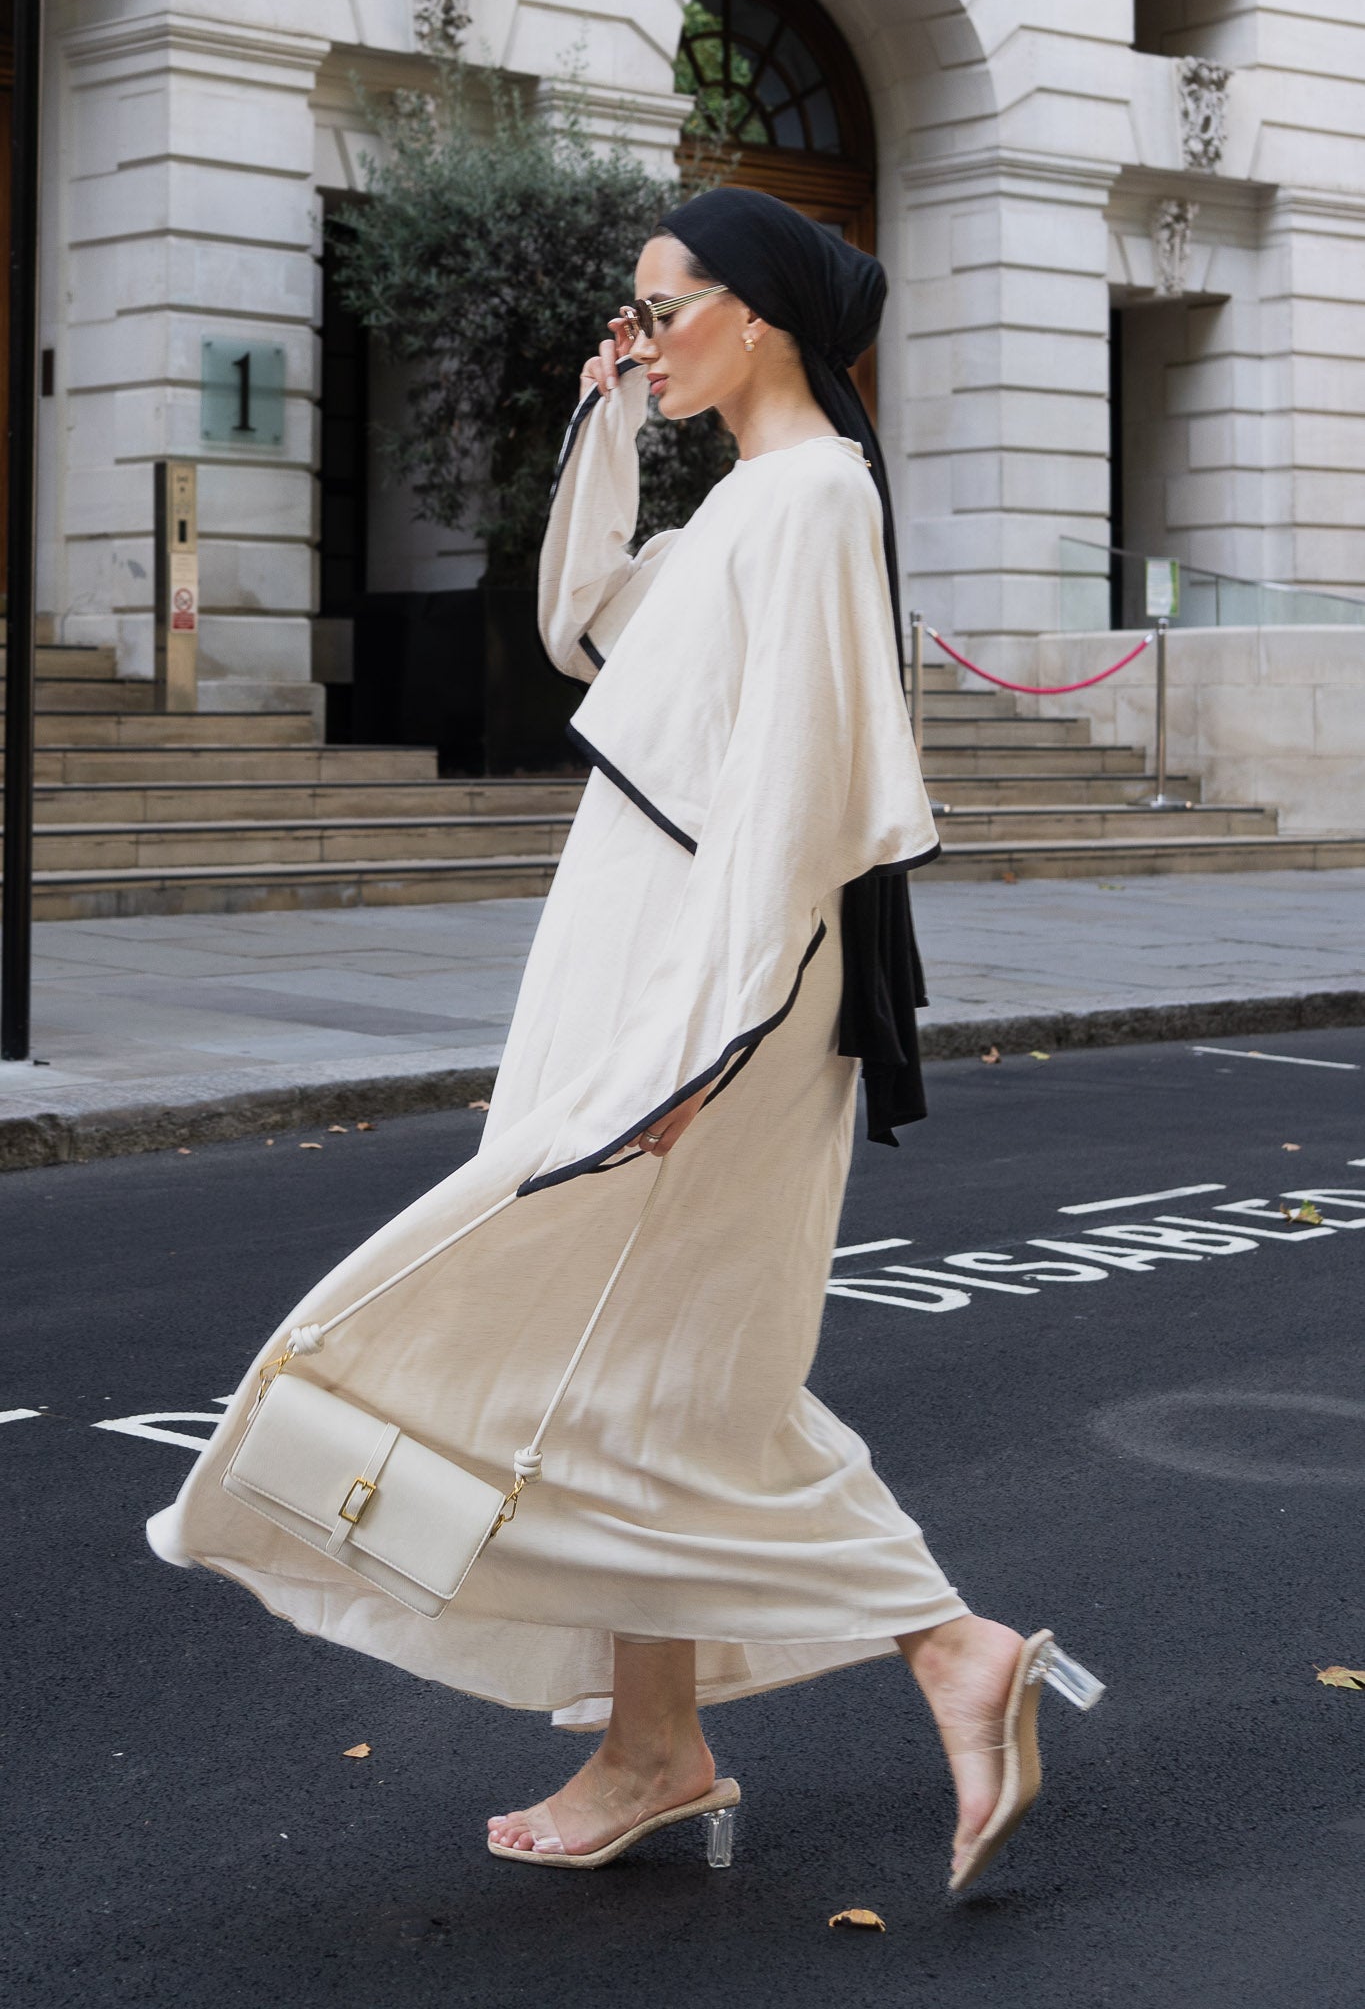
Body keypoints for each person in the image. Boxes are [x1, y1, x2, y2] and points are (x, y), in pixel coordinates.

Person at [146, 187, 1101, 1894]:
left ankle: (941, 1643)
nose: (640, 339)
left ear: (764, 316)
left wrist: (700, 1047)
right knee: (635, 1375)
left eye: (660, 314)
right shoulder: (748, 496)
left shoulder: (810, 498)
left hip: (701, 994)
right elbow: (581, 622)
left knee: (628, 1369)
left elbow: (796, 810)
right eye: (632, 318)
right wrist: (604, 417)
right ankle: (659, 1741)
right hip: (641, 973)